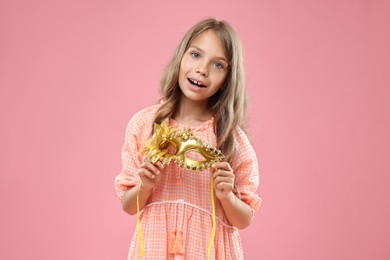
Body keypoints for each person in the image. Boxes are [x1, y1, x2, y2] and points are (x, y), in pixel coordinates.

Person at [115, 18, 262, 259]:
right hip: (154, 249)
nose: (202, 69)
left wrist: (227, 196)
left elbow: (244, 219)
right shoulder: (144, 125)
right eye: (195, 55)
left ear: (228, 78)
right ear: (181, 57)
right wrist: (146, 185)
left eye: (217, 64)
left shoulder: (231, 140)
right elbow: (129, 205)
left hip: (207, 251)